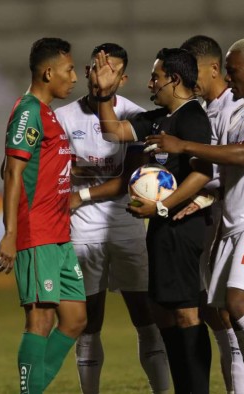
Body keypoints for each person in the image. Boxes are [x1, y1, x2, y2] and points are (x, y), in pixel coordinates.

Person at [145, 38, 244, 394]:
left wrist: (182, 145)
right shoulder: (240, 113)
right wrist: (198, 195)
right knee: (225, 318)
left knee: (238, 302)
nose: (229, 80)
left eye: (233, 72)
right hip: (231, 223)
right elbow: (222, 169)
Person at [94, 47, 214, 393]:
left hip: (181, 227)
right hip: (160, 226)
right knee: (163, 311)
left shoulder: (192, 117)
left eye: (156, 77)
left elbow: (201, 174)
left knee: (187, 313)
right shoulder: (160, 117)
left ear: (174, 79)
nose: (151, 83)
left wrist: (163, 207)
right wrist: (104, 93)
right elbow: (112, 131)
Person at [54, 43, 170, 394]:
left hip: (127, 229)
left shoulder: (136, 117)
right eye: (95, 68)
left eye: (110, 71)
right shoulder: (63, 117)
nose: (100, 76)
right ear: (88, 71)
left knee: (144, 318)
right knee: (89, 323)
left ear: (122, 78)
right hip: (81, 233)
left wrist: (81, 192)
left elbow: (127, 183)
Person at [0, 37, 87, 394]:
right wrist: (10, 233)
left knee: (76, 319)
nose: (74, 78)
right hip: (37, 231)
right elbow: (13, 173)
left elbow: (10, 164)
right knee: (41, 318)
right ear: (48, 73)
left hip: (60, 233)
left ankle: (31, 388)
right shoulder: (29, 110)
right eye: (69, 69)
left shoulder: (47, 114)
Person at [180, 35, 244, 394]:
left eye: (191, 70)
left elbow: (232, 169)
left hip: (229, 215)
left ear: (214, 68)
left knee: (229, 313)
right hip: (206, 218)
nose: (187, 79)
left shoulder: (238, 110)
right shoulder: (200, 111)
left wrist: (203, 195)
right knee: (213, 313)